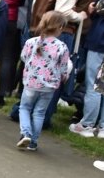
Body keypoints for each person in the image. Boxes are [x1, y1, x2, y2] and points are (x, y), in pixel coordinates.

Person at [31, 0, 89, 123]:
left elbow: (35, 6)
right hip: (60, 33)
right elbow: (63, 11)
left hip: (39, 29)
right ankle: (43, 118)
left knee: (36, 74)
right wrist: (80, 16)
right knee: (54, 79)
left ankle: (24, 110)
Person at [17, 11, 71, 151]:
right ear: (60, 28)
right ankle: (33, 142)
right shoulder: (62, 47)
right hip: (49, 85)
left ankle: (26, 133)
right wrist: (64, 77)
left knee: (25, 108)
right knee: (39, 113)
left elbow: (23, 57)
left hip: (31, 83)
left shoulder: (31, 42)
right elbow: (64, 67)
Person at [69, 0, 104, 139]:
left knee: (93, 84)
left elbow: (100, 8)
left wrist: (92, 9)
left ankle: (87, 124)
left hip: (100, 39)